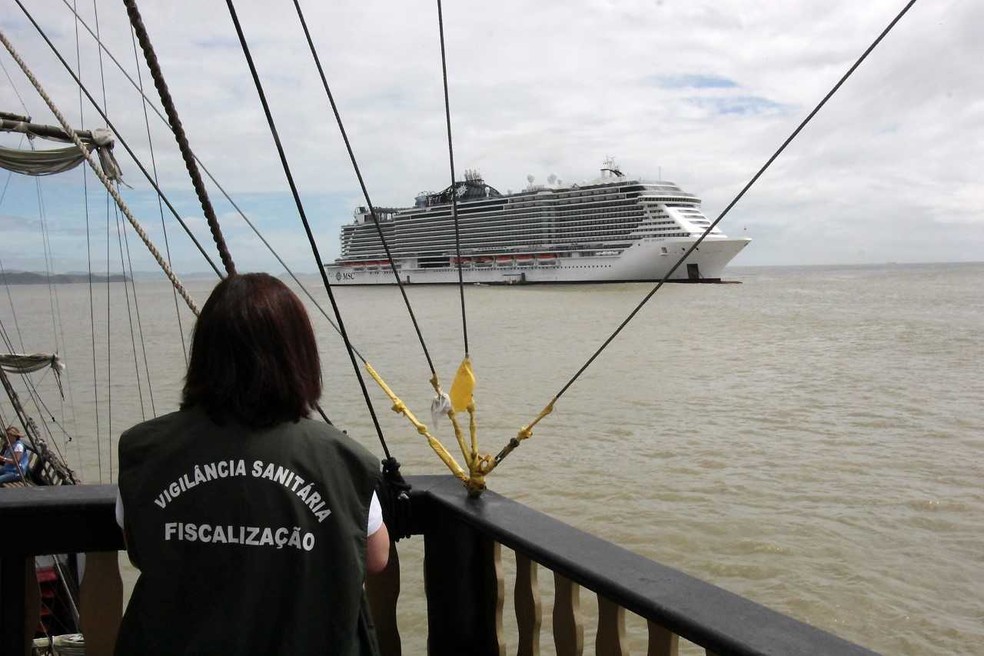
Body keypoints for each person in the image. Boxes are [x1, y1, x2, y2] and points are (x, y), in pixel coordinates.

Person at [114, 273, 389, 656]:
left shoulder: (145, 449)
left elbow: (137, 546)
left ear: (204, 356)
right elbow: (375, 557)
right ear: (299, 356)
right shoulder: (342, 460)